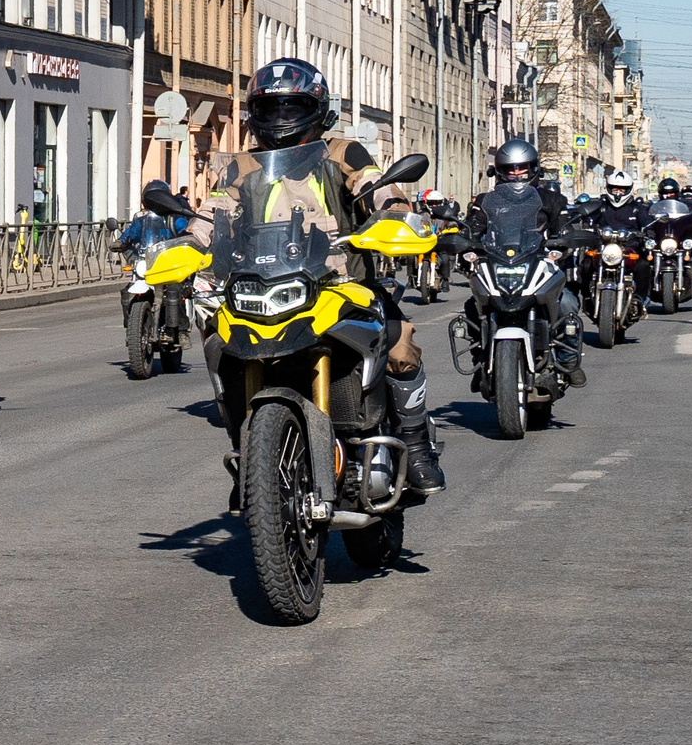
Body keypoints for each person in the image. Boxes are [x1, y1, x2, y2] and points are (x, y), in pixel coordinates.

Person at [196, 58, 443, 495]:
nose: (280, 120)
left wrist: (396, 214)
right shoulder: (243, 167)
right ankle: (249, 453)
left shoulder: (341, 152)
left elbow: (376, 186)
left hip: (341, 284)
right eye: (270, 110)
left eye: (290, 108)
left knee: (399, 341)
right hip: (264, 284)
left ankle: (416, 445)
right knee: (218, 340)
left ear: (315, 109)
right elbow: (213, 211)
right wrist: (188, 244)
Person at [466, 137, 585, 385]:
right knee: (472, 305)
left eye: (522, 167)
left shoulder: (551, 200)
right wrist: (462, 244)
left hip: (539, 265)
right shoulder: (485, 201)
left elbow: (564, 230)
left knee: (568, 305)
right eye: (510, 169)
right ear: (499, 171)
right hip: (498, 264)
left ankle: (567, 360)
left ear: (533, 169)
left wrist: (565, 243)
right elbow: (471, 230)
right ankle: (480, 359)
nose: (517, 173)